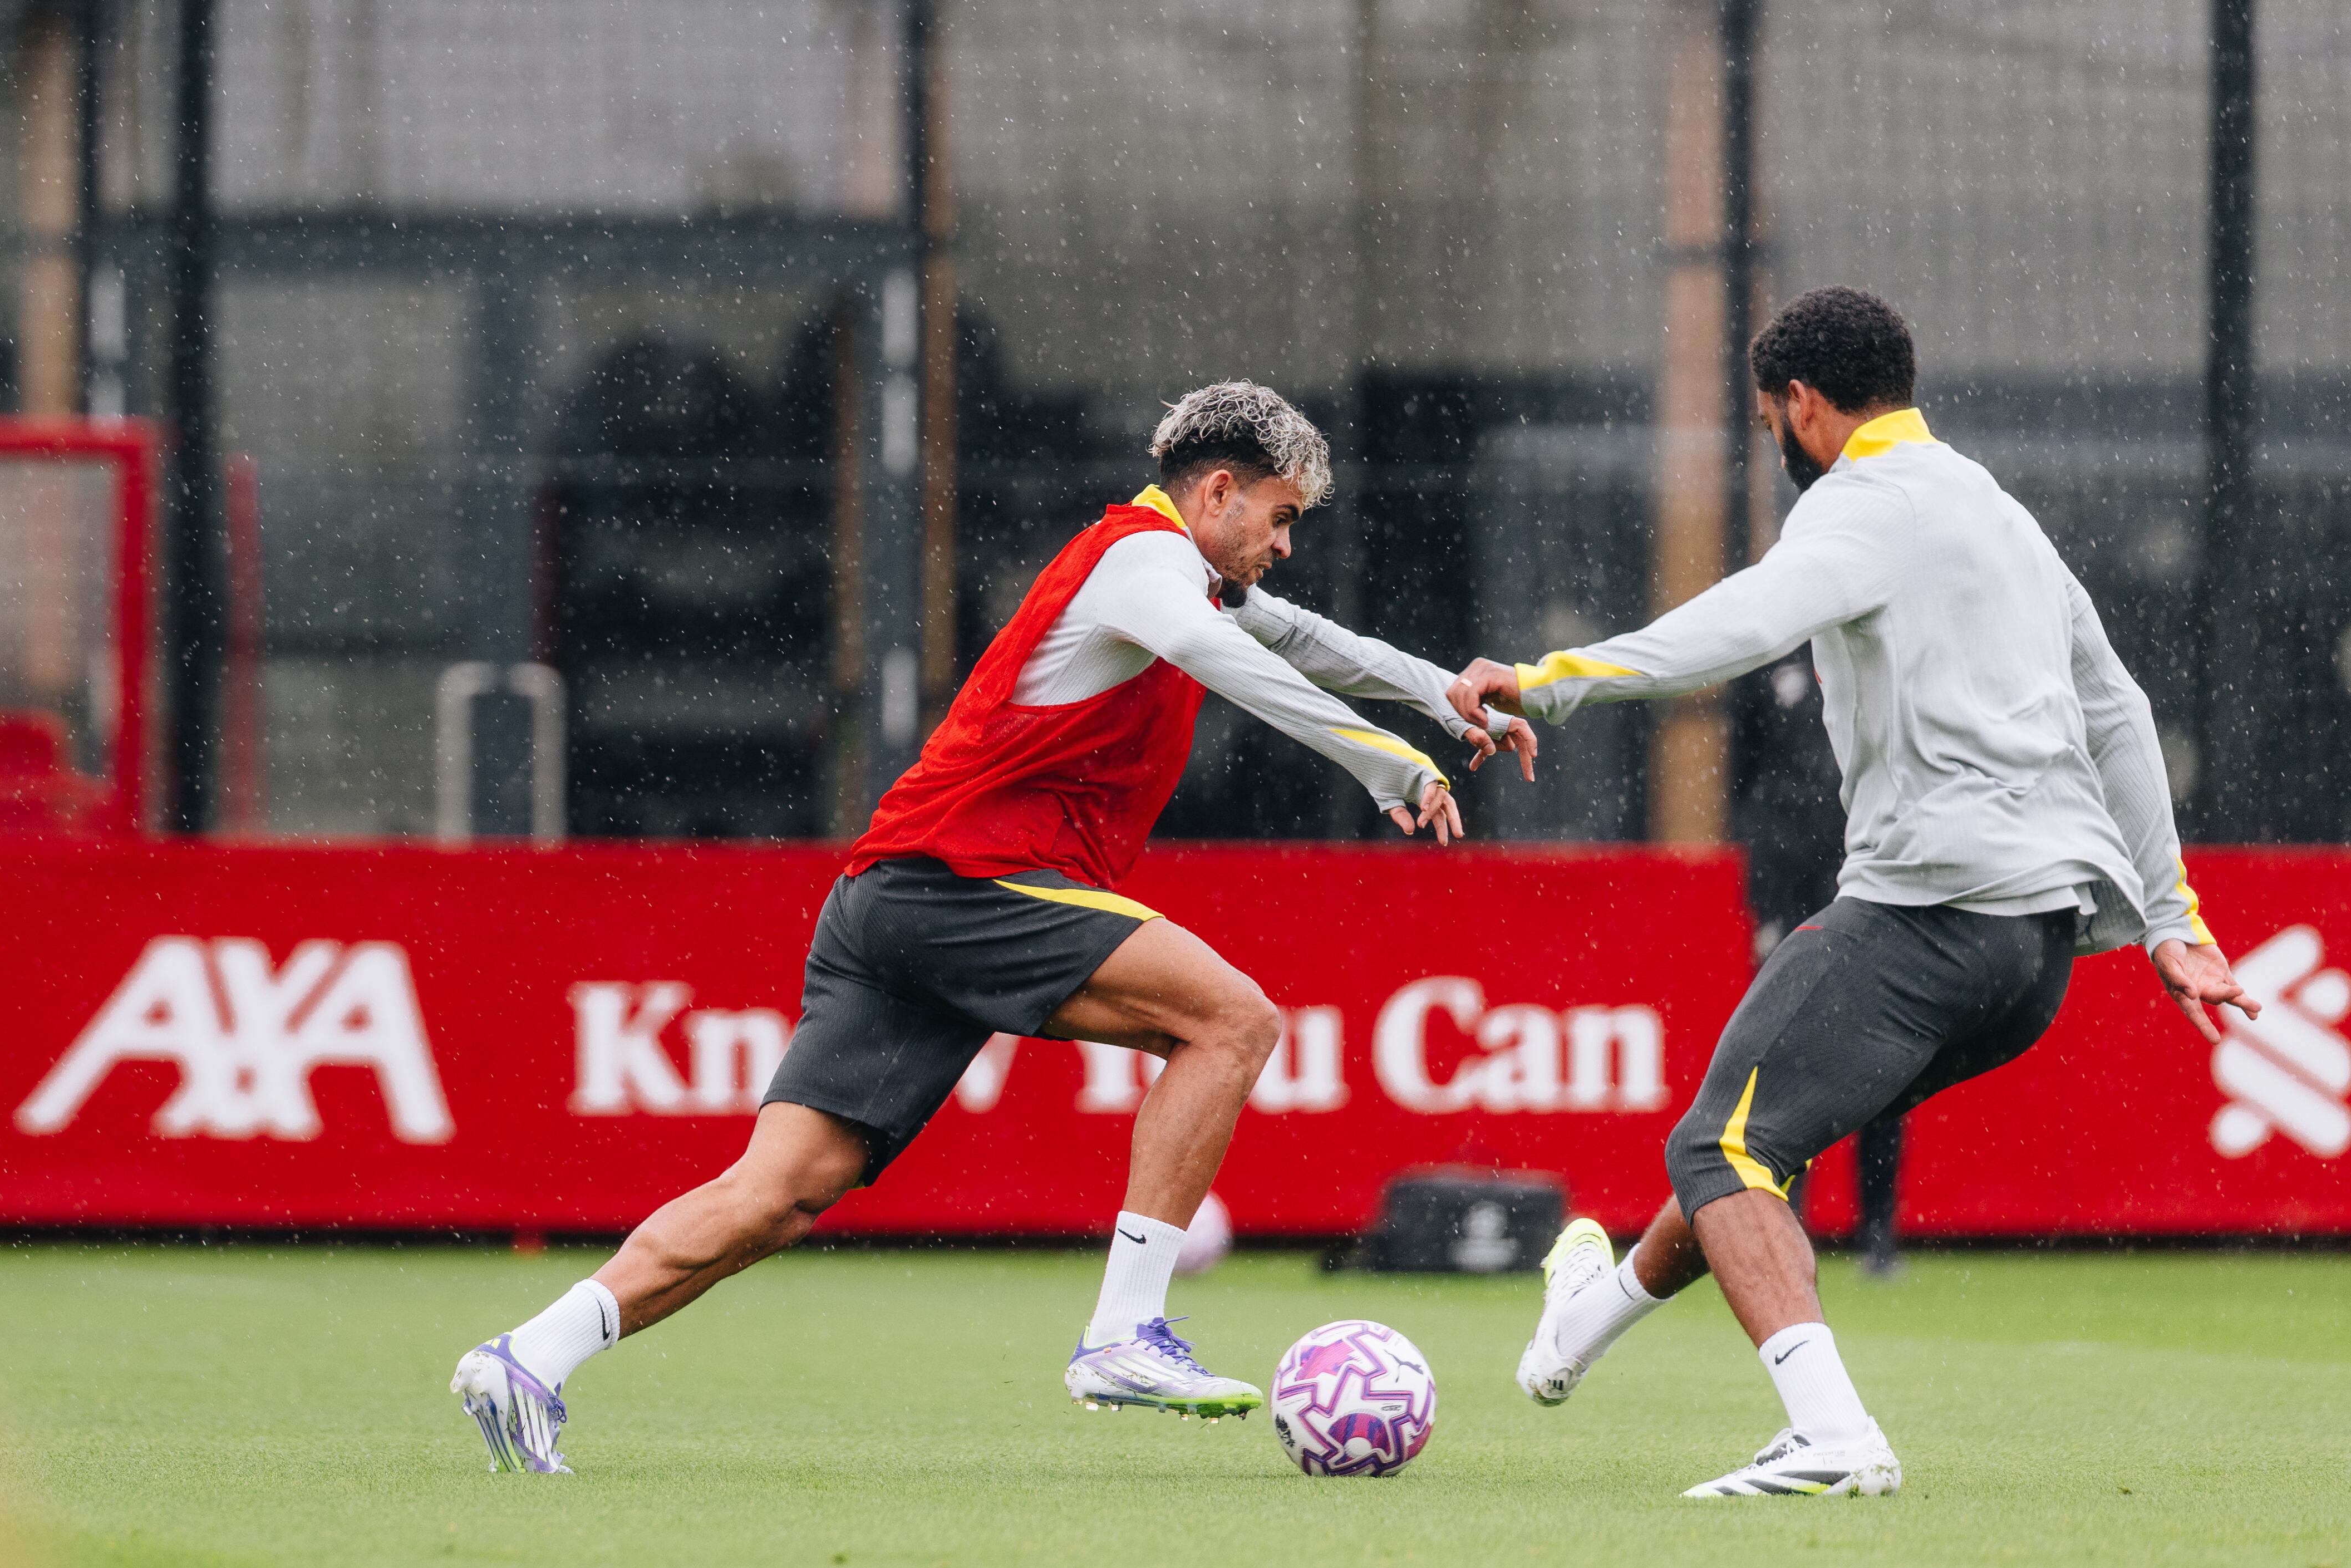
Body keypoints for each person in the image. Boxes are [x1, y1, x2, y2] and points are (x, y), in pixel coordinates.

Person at [452, 380, 1535, 1473]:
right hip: (968, 879)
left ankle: (528, 1356)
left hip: (896, 894)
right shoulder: (1142, 561)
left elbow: (1297, 637)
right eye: (1283, 515)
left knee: (776, 1195)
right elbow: (1230, 661)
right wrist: (1381, 759)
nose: (1286, 543)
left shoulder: (1180, 570)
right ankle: (1125, 1330)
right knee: (1231, 1023)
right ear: (1218, 491)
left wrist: (1441, 692)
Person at [1447, 286, 2259, 1499]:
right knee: (1751, 1148)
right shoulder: (1995, 509)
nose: (1775, 437)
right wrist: (2173, 919)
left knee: (1716, 1145)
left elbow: (1733, 626)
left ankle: (1831, 1432)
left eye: (1773, 414)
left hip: (1927, 913)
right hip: (2032, 957)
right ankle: (1580, 1323)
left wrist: (1546, 679)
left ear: (1803, 406)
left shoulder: (1857, 509)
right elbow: (2121, 713)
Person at [1733, 649, 1909, 1277]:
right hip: (1791, 884)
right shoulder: (1767, 667)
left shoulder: (1878, 652)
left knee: (1885, 1059)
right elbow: (1747, 786)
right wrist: (1765, 903)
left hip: (1866, 878)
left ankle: (1878, 1232)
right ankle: (1788, 1224)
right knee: (1788, 1059)